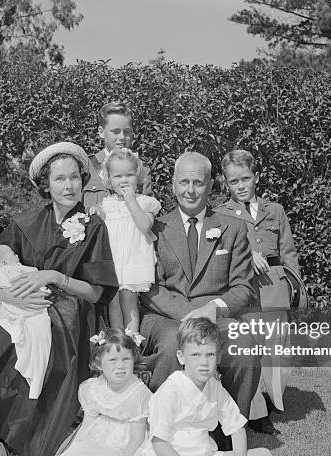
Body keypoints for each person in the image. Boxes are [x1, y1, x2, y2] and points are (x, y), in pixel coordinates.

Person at [0, 142, 119, 456]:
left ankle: (22, 435)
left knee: (52, 335)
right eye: (60, 179)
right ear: (46, 183)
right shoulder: (24, 223)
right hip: (18, 304)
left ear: (83, 180)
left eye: (74, 177)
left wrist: (55, 277)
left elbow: (96, 293)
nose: (68, 185)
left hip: (71, 310)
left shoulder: (93, 227)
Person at [124, 318, 312, 456]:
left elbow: (237, 427)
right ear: (181, 357)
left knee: (263, 454)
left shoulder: (214, 387)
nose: (204, 362)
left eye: (210, 355)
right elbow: (160, 444)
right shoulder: (170, 390)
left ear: (219, 357)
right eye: (195, 355)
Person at [140, 151, 260, 427]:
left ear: (210, 185)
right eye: (184, 182)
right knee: (173, 344)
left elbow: (243, 288)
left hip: (216, 317)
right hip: (166, 316)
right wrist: (191, 314)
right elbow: (150, 288)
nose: (190, 191)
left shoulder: (234, 228)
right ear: (173, 184)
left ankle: (230, 432)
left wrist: (213, 309)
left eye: (198, 183)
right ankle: (163, 431)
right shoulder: (154, 227)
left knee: (245, 344)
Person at [0, 329, 151, 456]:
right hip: (99, 434)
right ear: (98, 363)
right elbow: (87, 425)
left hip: (124, 444)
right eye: (112, 360)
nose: (120, 366)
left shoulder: (138, 393)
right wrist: (74, 447)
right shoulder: (93, 388)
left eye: (126, 359)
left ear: (134, 359)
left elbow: (136, 438)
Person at [215, 149, 301, 435]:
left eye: (245, 179)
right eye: (233, 181)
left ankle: (270, 397)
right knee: (251, 350)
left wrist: (296, 290)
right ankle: (256, 412)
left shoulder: (274, 210)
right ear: (225, 183)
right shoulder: (220, 214)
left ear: (256, 178)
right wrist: (248, 253)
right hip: (245, 290)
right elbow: (220, 256)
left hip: (275, 286)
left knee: (278, 354)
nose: (240, 186)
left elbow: (288, 253)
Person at [0, 244, 51, 400]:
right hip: (23, 307)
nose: (17, 256)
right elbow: (28, 275)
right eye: (13, 254)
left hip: (22, 306)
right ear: (4, 263)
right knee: (38, 331)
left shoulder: (7, 270)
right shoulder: (9, 271)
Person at [98, 147, 161, 334]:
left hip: (133, 260)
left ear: (138, 176)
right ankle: (118, 338)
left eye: (130, 175)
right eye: (118, 176)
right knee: (113, 300)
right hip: (114, 260)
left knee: (129, 300)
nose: (124, 180)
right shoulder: (106, 205)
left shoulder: (144, 202)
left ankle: (133, 338)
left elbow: (144, 226)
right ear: (109, 179)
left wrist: (131, 201)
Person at [83, 101, 153, 210]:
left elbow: (149, 213)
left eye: (127, 132)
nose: (122, 137)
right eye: (115, 131)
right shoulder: (87, 167)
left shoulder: (142, 169)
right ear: (101, 132)